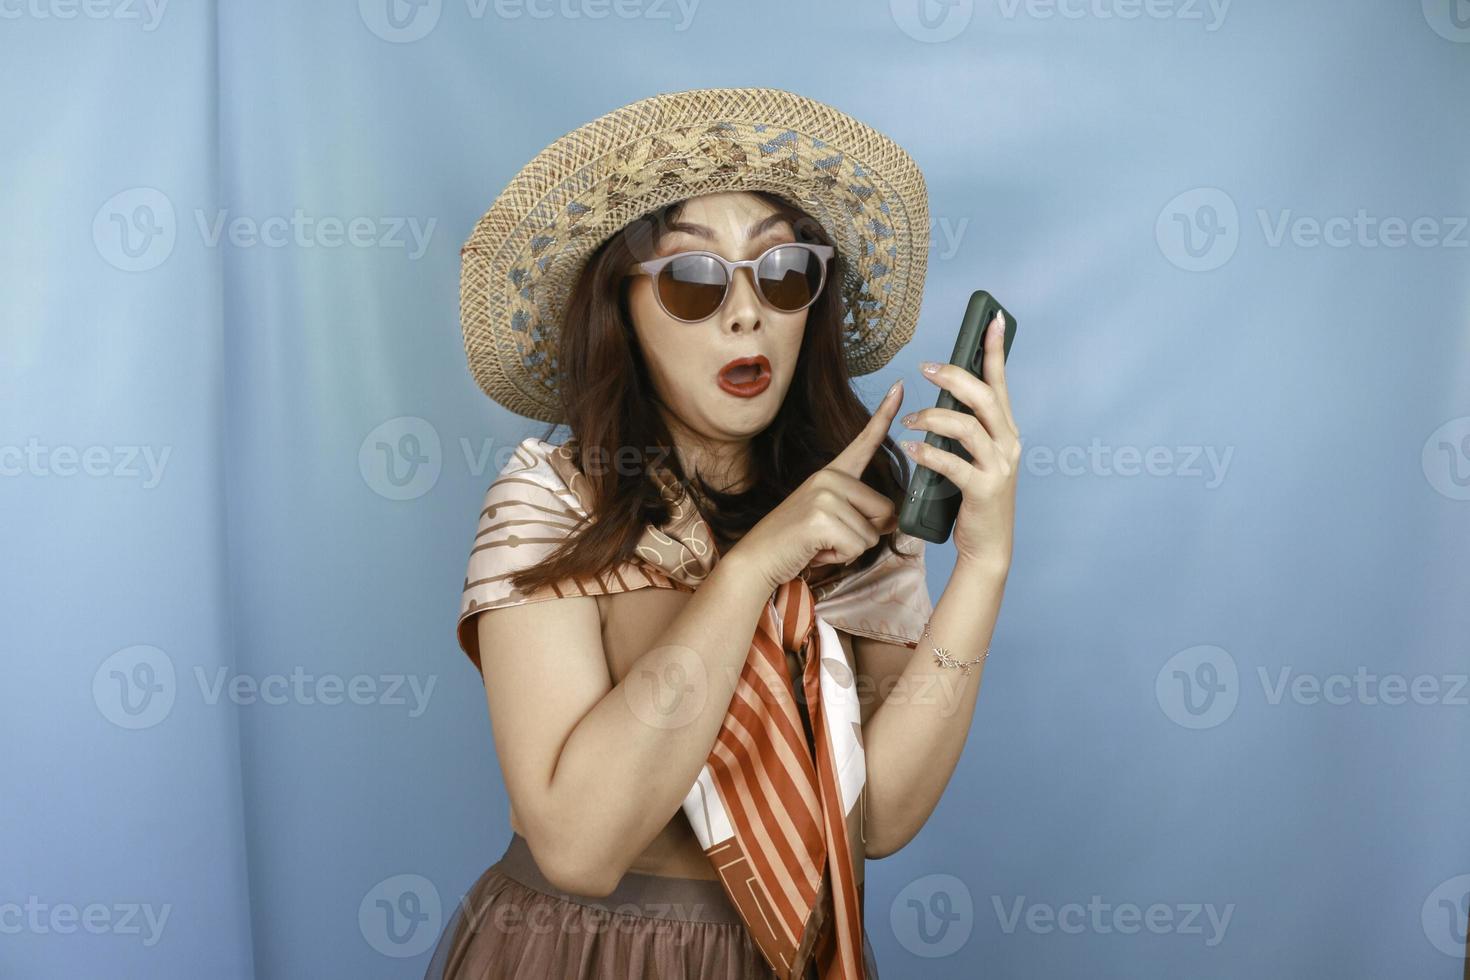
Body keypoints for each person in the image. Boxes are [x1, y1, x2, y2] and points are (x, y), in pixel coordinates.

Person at [426, 87, 1018, 980]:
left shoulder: (854, 518)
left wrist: (983, 564)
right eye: (695, 280)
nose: (747, 314)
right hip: (581, 957)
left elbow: (880, 816)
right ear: (620, 310)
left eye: (781, 272)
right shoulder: (550, 503)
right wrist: (752, 573)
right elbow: (578, 847)